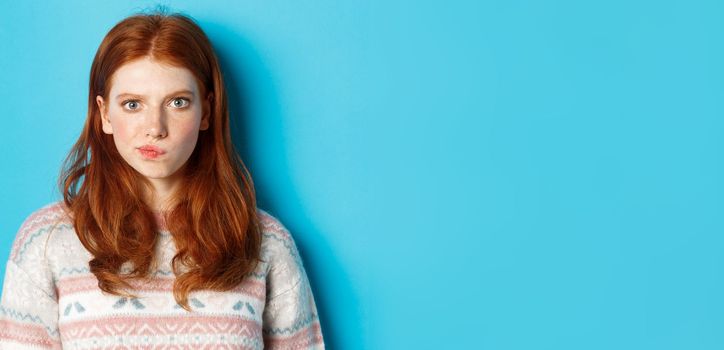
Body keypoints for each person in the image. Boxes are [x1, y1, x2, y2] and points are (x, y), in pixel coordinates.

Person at [0, 10, 324, 349]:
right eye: (132, 104)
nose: (155, 127)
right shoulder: (46, 242)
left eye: (178, 102)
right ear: (104, 114)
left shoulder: (265, 242)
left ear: (206, 112)